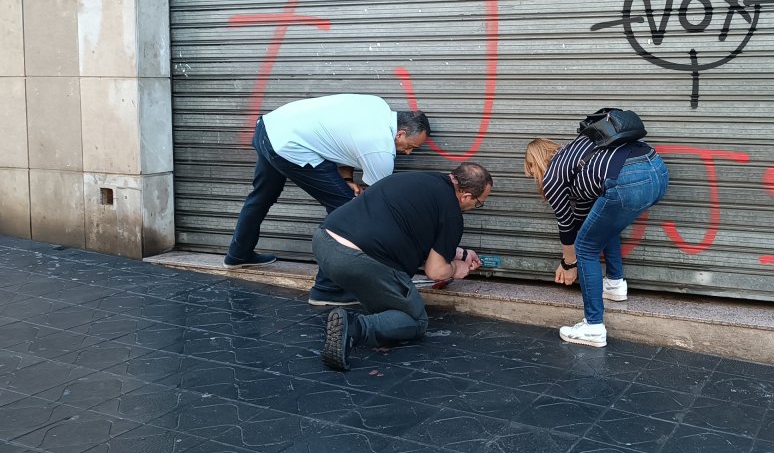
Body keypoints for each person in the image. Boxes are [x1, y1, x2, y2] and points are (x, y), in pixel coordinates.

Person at [224, 94, 431, 307]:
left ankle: (238, 254)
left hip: (268, 128)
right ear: (400, 133)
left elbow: (342, 143)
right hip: (290, 146)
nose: (408, 153)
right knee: (345, 209)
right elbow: (379, 200)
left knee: (261, 197)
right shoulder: (380, 148)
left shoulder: (377, 106)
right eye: (410, 146)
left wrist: (347, 178)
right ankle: (327, 289)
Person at [315, 162, 492, 371]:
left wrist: (461, 253)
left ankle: (376, 315)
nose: (475, 206)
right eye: (479, 203)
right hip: (360, 260)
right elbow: (435, 271)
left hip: (324, 243)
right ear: (466, 196)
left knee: (389, 302)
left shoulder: (419, 179)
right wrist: (456, 268)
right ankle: (354, 328)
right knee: (415, 320)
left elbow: (418, 230)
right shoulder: (452, 213)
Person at [524, 130, 668, 347]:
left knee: (584, 248)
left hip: (629, 178)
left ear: (538, 160)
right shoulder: (576, 160)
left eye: (530, 166)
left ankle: (593, 327)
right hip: (658, 171)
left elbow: (566, 226)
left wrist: (568, 263)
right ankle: (615, 285)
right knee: (601, 228)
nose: (529, 174)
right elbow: (583, 222)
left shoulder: (554, 176)